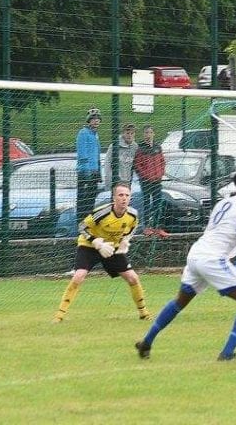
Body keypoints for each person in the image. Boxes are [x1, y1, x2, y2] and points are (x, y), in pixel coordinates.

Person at [136, 170, 236, 361]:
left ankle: (147, 342)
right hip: (213, 258)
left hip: (196, 253)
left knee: (180, 301)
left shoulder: (223, 203)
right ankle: (227, 353)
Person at [53, 182, 148, 322]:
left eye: (127, 195)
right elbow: (82, 227)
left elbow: (133, 228)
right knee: (79, 276)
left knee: (133, 278)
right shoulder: (103, 212)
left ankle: (144, 313)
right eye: (120, 195)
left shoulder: (132, 214)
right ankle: (59, 315)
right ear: (114, 197)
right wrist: (95, 241)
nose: (124, 198)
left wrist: (125, 240)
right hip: (89, 246)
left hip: (111, 249)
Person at [134, 125, 166, 230]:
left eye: (150, 132)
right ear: (143, 134)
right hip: (146, 181)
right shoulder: (140, 148)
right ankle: (146, 226)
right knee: (146, 203)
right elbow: (137, 165)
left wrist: (160, 174)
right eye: (146, 133)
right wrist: (146, 176)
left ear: (153, 134)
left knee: (158, 203)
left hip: (157, 180)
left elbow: (162, 162)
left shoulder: (158, 147)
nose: (148, 135)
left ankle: (157, 226)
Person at [76, 108, 103, 220]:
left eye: (98, 119)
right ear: (89, 120)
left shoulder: (95, 135)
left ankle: (88, 224)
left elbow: (96, 155)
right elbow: (82, 153)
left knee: (91, 200)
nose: (96, 121)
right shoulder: (83, 133)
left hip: (94, 172)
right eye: (93, 119)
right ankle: (81, 224)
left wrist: (98, 172)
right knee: (83, 200)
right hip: (85, 173)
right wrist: (87, 172)